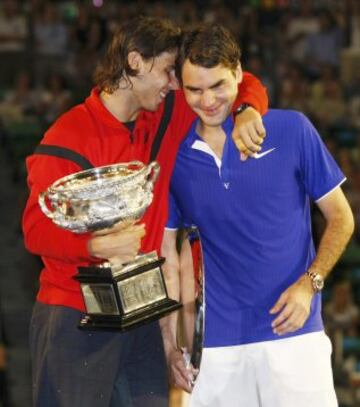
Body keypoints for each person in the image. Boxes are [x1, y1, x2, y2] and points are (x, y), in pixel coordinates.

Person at [22, 16, 268, 407]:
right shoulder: (67, 136)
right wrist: (96, 244)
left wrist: (248, 110)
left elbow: (232, 82)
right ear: (135, 62)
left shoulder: (163, 115)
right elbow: (35, 230)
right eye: (169, 71)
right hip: (76, 314)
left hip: (144, 315)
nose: (175, 84)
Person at [162, 23, 355, 407]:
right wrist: (171, 345)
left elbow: (342, 218)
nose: (208, 100)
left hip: (294, 335)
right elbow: (169, 257)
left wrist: (310, 283)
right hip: (215, 348)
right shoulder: (175, 158)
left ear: (238, 74)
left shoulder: (291, 129)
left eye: (218, 85)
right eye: (195, 90)